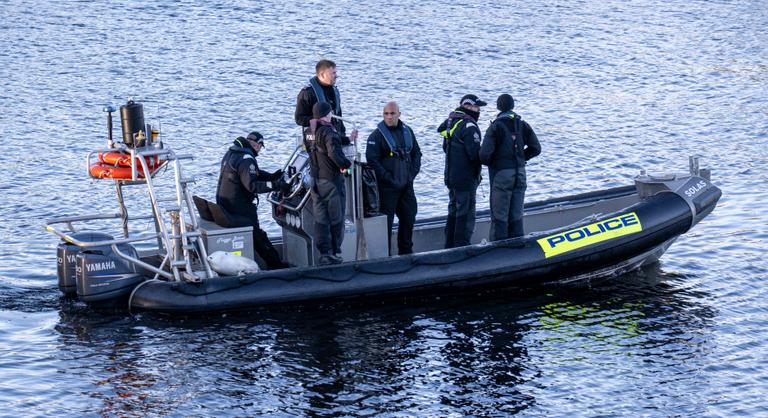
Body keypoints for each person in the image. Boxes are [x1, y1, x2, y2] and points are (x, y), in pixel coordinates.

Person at [215, 131, 287, 269]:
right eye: (260, 146)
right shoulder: (247, 158)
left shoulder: (233, 152)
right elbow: (252, 185)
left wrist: (272, 176)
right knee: (258, 236)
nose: (260, 149)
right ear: (257, 145)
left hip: (225, 205)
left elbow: (253, 174)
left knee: (256, 235)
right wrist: (277, 186)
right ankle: (276, 266)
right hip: (239, 208)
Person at [480, 94, 541, 240]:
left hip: (502, 175)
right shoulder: (522, 124)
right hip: (520, 173)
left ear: (498, 107)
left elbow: (484, 155)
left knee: (499, 215)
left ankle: (498, 252)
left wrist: (496, 162)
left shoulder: (495, 127)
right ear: (513, 106)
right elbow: (536, 148)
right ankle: (518, 246)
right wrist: (521, 157)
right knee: (516, 214)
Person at [365, 101, 422, 255]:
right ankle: (387, 256)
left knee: (409, 217)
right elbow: (372, 161)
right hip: (387, 188)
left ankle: (406, 252)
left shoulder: (407, 131)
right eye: (386, 114)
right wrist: (388, 178)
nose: (389, 117)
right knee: (387, 223)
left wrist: (412, 175)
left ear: (399, 114)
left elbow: (417, 153)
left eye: (392, 114)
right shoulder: (376, 136)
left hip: (406, 185)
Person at [437, 94, 487, 248]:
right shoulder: (469, 126)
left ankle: (449, 246)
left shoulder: (451, 122)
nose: (478, 110)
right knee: (465, 214)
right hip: (465, 179)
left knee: (453, 210)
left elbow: (446, 148)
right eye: (475, 107)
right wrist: (489, 157)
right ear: (467, 106)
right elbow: (475, 154)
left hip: (451, 177)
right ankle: (462, 248)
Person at [306, 102, 352, 265]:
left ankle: (324, 253)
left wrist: (347, 138)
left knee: (320, 218)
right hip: (331, 181)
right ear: (327, 114)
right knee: (336, 217)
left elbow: (321, 145)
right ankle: (334, 252)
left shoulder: (308, 132)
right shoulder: (330, 132)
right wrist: (347, 165)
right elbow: (334, 153)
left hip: (315, 181)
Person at [295, 59, 358, 144]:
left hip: (335, 138)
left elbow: (339, 116)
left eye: (336, 73)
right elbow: (299, 119)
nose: (336, 76)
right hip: (317, 140)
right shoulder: (307, 93)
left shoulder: (335, 91)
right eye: (333, 73)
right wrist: (320, 120)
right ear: (322, 75)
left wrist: (345, 138)